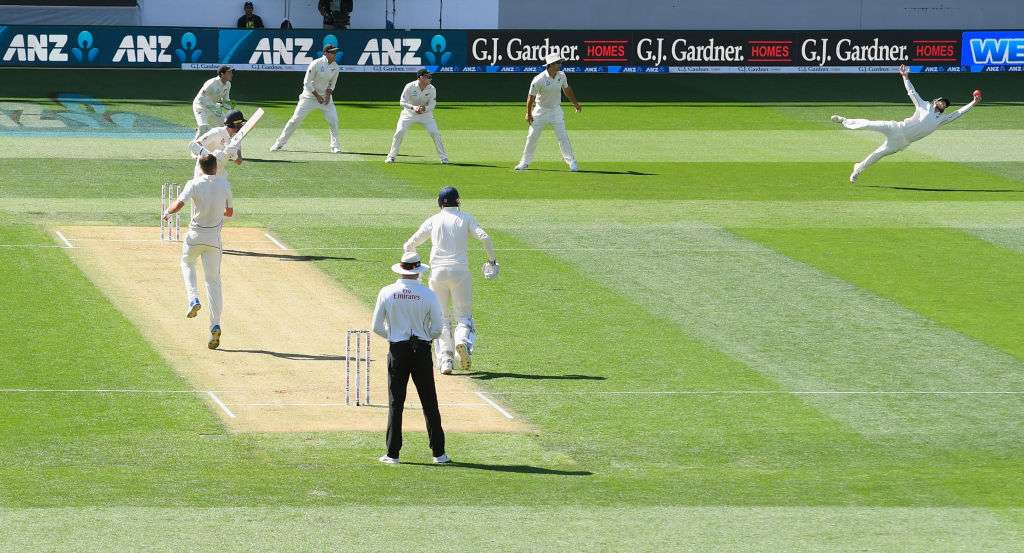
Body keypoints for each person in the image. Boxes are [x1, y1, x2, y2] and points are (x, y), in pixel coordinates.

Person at [832, 64, 981, 183]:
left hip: (901, 142)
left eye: (945, 105)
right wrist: (905, 77)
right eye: (942, 101)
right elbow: (912, 92)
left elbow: (958, 113)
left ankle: (857, 170)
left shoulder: (941, 119)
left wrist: (973, 103)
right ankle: (844, 121)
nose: (943, 104)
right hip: (896, 127)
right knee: (869, 124)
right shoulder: (924, 105)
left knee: (877, 155)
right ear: (935, 100)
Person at [404, 187, 497, 374]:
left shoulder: (434, 219)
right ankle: (462, 341)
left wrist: (413, 270)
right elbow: (485, 238)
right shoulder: (466, 218)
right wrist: (492, 262)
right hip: (460, 273)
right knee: (463, 317)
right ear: (458, 201)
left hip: (437, 273)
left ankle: (446, 359)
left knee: (441, 317)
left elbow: (409, 244)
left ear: (440, 202)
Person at [371, 252, 450, 465]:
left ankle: (392, 454)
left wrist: (395, 337)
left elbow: (376, 327)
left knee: (396, 403)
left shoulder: (387, 292)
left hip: (397, 350)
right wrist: (425, 338)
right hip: (421, 350)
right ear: (417, 271)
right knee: (429, 402)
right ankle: (439, 454)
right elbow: (437, 328)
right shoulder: (428, 294)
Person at [163, 153, 234, 350]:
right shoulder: (224, 184)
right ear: (216, 167)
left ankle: (193, 298)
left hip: (195, 236)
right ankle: (215, 324)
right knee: (213, 281)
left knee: (187, 263)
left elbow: (178, 205)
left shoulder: (193, 183)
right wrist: (215, 214)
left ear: (201, 168)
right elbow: (229, 213)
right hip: (214, 239)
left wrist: (167, 213)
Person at [514, 52, 581, 172]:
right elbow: (531, 98)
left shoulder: (562, 75)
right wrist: (529, 114)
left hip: (556, 111)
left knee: (563, 137)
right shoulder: (539, 79)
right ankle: (524, 162)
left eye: (560, 62)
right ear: (550, 64)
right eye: (558, 62)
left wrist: (575, 103)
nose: (560, 64)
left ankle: (572, 162)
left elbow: (566, 90)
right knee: (532, 137)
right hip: (540, 111)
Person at [271, 45, 342, 154]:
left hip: (325, 98)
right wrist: (317, 96)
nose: (334, 55)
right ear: (326, 53)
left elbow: (333, 83)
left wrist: (328, 95)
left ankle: (335, 146)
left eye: (335, 53)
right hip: (309, 97)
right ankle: (279, 143)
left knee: (334, 121)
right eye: (332, 53)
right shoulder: (316, 64)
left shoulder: (335, 67)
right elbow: (307, 82)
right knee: (295, 120)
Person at [386, 69, 449, 164]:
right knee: (399, 132)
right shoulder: (410, 86)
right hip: (409, 114)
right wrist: (413, 107)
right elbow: (402, 102)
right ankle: (391, 157)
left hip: (426, 115)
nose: (430, 79)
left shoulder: (432, 88)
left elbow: (432, 104)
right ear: (420, 77)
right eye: (428, 77)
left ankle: (444, 158)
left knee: (435, 133)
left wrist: (425, 108)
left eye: (430, 77)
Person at [189, 110, 245, 178]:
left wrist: (234, 156)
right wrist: (212, 157)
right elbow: (194, 146)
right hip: (203, 172)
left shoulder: (237, 138)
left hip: (219, 174)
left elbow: (239, 161)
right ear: (235, 124)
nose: (242, 125)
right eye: (241, 123)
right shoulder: (216, 132)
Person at [191, 65, 234, 141]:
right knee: (203, 127)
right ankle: (195, 147)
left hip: (213, 106)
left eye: (231, 72)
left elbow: (226, 99)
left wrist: (230, 107)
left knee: (225, 125)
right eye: (229, 72)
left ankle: (221, 144)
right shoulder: (211, 83)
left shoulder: (228, 84)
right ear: (222, 74)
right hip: (200, 106)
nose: (231, 74)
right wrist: (217, 105)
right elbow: (202, 98)